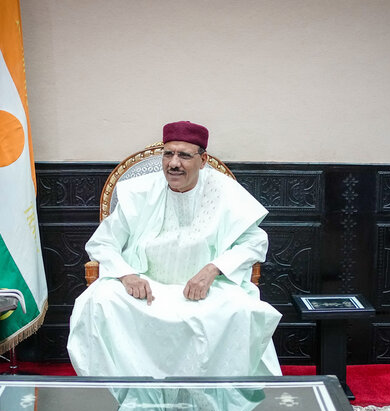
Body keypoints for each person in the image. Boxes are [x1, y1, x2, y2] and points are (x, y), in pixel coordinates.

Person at [67, 121, 282, 378]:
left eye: (184, 155)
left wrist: (214, 269)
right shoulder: (140, 191)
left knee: (243, 310)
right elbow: (102, 243)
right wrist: (126, 275)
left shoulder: (225, 191)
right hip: (145, 288)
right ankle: (126, 392)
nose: (174, 163)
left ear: (202, 161)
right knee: (96, 301)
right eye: (168, 154)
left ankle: (214, 396)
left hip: (206, 291)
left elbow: (254, 242)